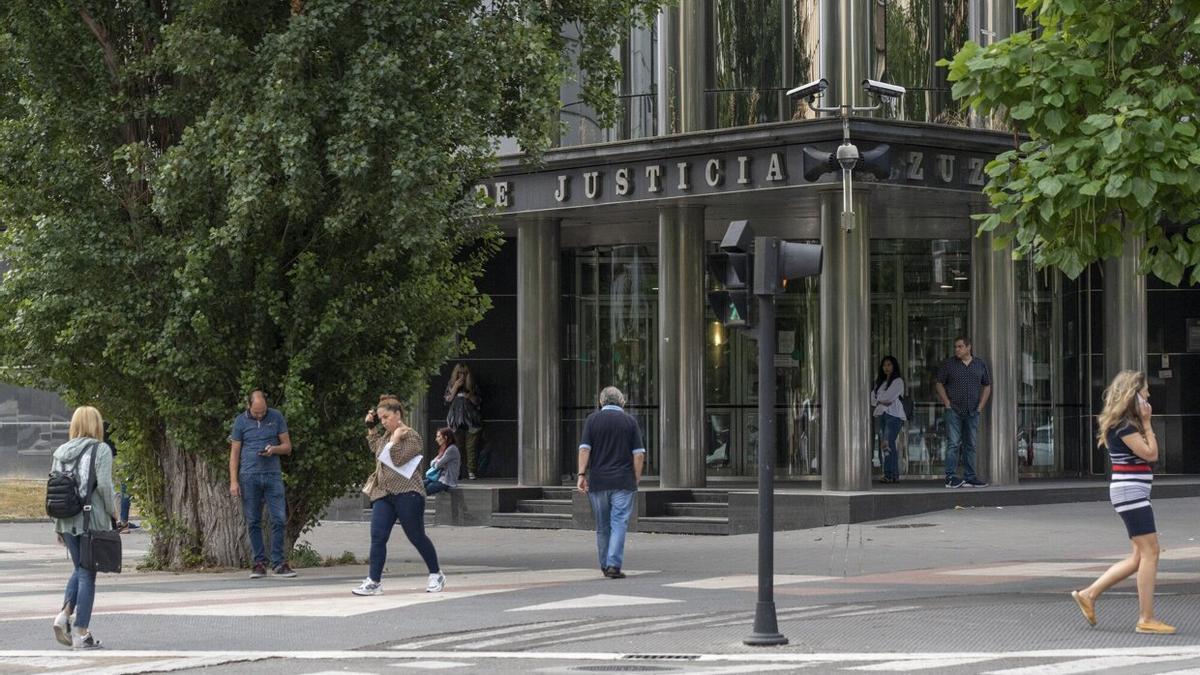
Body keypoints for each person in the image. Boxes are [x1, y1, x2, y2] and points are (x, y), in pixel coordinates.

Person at [1070, 371, 1174, 634]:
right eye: (1145, 392)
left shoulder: (1123, 424)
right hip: (1131, 494)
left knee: (1140, 556)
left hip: (1131, 492)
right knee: (1151, 552)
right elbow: (1151, 454)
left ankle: (1089, 594)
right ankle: (1146, 618)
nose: (1149, 396)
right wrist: (1149, 424)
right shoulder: (1125, 427)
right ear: (1133, 395)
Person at [353, 395, 445, 596]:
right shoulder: (386, 436)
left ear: (398, 414)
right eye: (380, 418)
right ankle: (374, 581)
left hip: (408, 493)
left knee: (416, 536)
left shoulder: (412, 437)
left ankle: (436, 573)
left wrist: (394, 440)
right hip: (384, 493)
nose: (384, 421)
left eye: (386, 417)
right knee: (378, 536)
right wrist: (371, 428)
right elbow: (377, 451)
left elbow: (397, 459)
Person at [50, 406, 115, 650]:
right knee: (88, 573)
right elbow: (105, 487)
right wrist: (114, 514)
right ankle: (81, 632)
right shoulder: (101, 449)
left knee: (79, 568)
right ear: (96, 424)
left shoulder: (60, 451)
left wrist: (57, 526)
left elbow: (55, 488)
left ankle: (64, 615)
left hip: (65, 519)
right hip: (91, 518)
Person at [577, 386, 645, 579]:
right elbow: (639, 454)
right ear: (621, 401)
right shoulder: (630, 422)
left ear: (601, 402)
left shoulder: (592, 420)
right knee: (619, 522)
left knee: (602, 525)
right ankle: (614, 564)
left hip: (598, 481)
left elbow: (584, 450)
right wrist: (636, 478)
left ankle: (605, 565)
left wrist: (581, 474)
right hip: (624, 481)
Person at [228, 389, 296, 578]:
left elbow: (287, 447)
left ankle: (279, 562)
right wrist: (233, 481)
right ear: (248, 406)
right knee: (253, 520)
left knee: (279, 518)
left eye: (263, 411)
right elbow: (234, 453)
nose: (260, 415)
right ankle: (258, 563)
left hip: (272, 474)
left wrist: (274, 449)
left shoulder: (276, 417)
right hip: (249, 476)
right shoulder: (240, 421)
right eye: (256, 412)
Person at [935, 337, 991, 488]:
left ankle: (970, 477)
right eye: (955, 347)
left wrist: (980, 406)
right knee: (953, 443)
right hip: (954, 410)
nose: (957, 349)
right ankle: (950, 477)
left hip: (973, 411)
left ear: (968, 347)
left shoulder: (979, 364)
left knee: (970, 444)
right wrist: (946, 402)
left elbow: (987, 385)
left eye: (960, 347)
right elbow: (939, 383)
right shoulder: (949, 364)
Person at [443, 363, 484, 479]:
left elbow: (479, 401)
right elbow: (447, 399)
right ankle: (458, 472)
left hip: (471, 418)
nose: (462, 376)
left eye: (464, 373)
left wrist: (469, 396)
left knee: (471, 447)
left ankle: (472, 471)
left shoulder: (472, 385)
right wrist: (455, 387)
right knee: (457, 446)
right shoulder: (451, 384)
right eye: (459, 373)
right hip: (455, 418)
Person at [871, 355, 906, 483]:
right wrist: (882, 399)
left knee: (887, 443)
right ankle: (892, 474)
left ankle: (889, 474)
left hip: (894, 415)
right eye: (884, 365)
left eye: (889, 365)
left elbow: (888, 398)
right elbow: (873, 400)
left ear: (894, 366)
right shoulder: (879, 382)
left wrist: (881, 398)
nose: (886, 367)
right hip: (881, 415)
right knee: (886, 445)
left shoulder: (898, 381)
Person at [424, 427, 460, 496]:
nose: (436, 439)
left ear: (445, 438)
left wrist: (437, 462)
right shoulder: (444, 449)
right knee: (418, 485)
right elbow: (432, 463)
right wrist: (438, 462)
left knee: (426, 489)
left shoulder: (451, 449)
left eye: (438, 436)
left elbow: (437, 465)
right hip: (438, 478)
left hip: (447, 481)